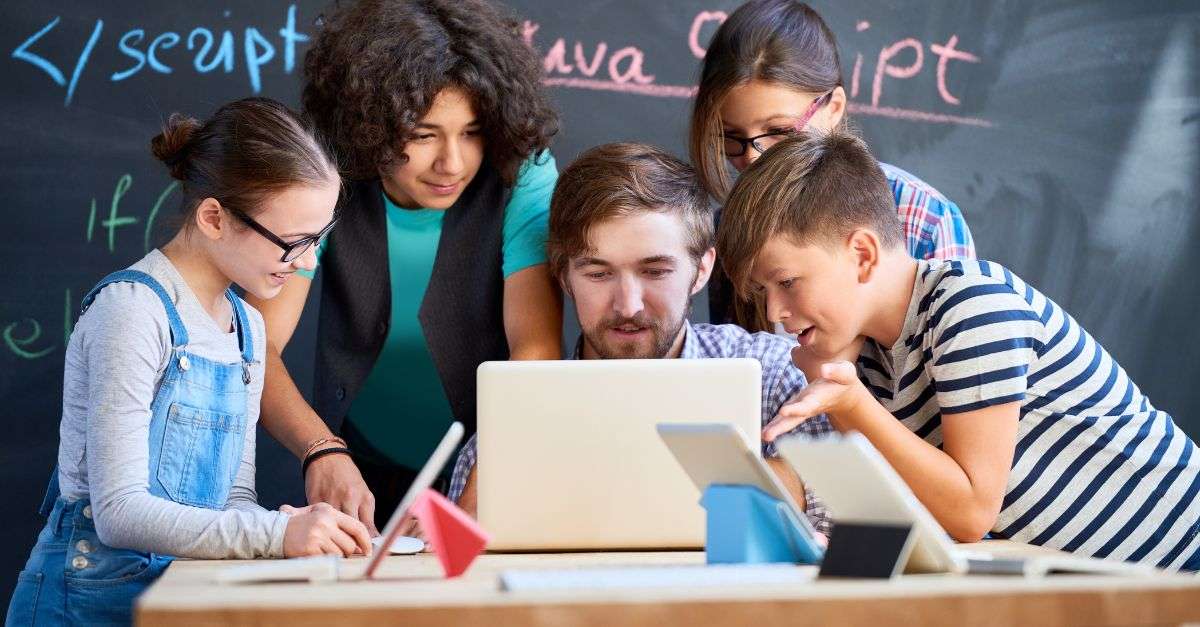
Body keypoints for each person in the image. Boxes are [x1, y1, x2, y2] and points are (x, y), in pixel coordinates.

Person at [716, 128, 1200, 570]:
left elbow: (970, 511)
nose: (775, 311)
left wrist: (849, 402)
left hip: (1181, 565)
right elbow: (921, 507)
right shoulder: (866, 358)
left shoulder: (969, 304)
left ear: (861, 255)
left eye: (787, 282)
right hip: (1106, 586)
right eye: (764, 292)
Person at [5, 98, 371, 626]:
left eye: (319, 240)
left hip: (177, 597)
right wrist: (276, 534)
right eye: (293, 244)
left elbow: (234, 497)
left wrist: (293, 527)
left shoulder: (247, 328)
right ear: (214, 217)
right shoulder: (133, 311)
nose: (308, 262)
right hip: (83, 602)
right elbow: (119, 514)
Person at [246, 0, 563, 534]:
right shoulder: (323, 170)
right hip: (358, 466)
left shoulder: (525, 174)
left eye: (472, 131)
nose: (453, 163)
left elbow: (536, 347)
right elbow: (257, 348)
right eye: (422, 135)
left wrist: (471, 499)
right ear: (370, 124)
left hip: (488, 454)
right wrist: (321, 450)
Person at [447, 143, 833, 534]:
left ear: (701, 270)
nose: (628, 306)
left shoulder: (773, 375)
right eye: (598, 274)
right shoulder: (514, 417)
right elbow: (457, 554)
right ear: (563, 276)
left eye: (655, 272)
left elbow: (843, 519)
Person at [689, 0, 975, 329]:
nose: (754, 156)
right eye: (731, 136)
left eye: (779, 131)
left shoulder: (921, 219)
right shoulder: (729, 229)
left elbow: (951, 360)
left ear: (834, 108)